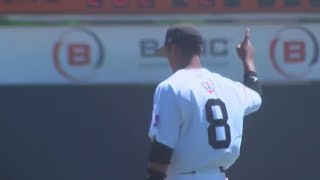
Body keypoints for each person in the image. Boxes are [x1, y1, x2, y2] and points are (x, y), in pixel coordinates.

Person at [145, 24, 262, 180]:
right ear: (200, 50)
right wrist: (248, 60)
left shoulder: (171, 87)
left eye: (168, 53)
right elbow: (255, 94)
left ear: (173, 50)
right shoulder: (229, 87)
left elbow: (162, 149)